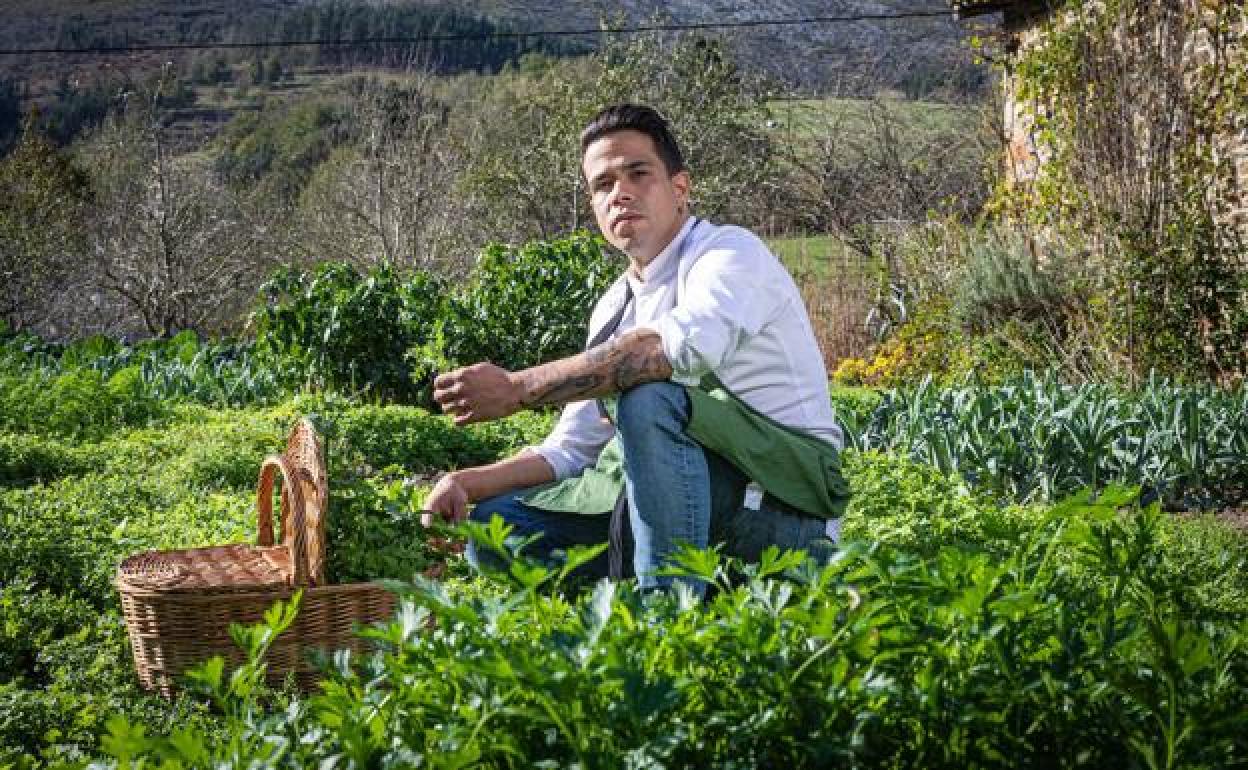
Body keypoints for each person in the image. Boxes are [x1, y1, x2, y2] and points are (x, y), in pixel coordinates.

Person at [423, 104, 847, 594]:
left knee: (650, 395)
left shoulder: (729, 255)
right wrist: (464, 483)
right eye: (603, 185)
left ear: (680, 189)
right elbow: (571, 448)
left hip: (776, 513)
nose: (620, 193)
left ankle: (666, 607)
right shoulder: (612, 307)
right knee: (498, 525)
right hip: (681, 510)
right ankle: (669, 582)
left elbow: (676, 352)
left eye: (638, 174)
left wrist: (518, 388)